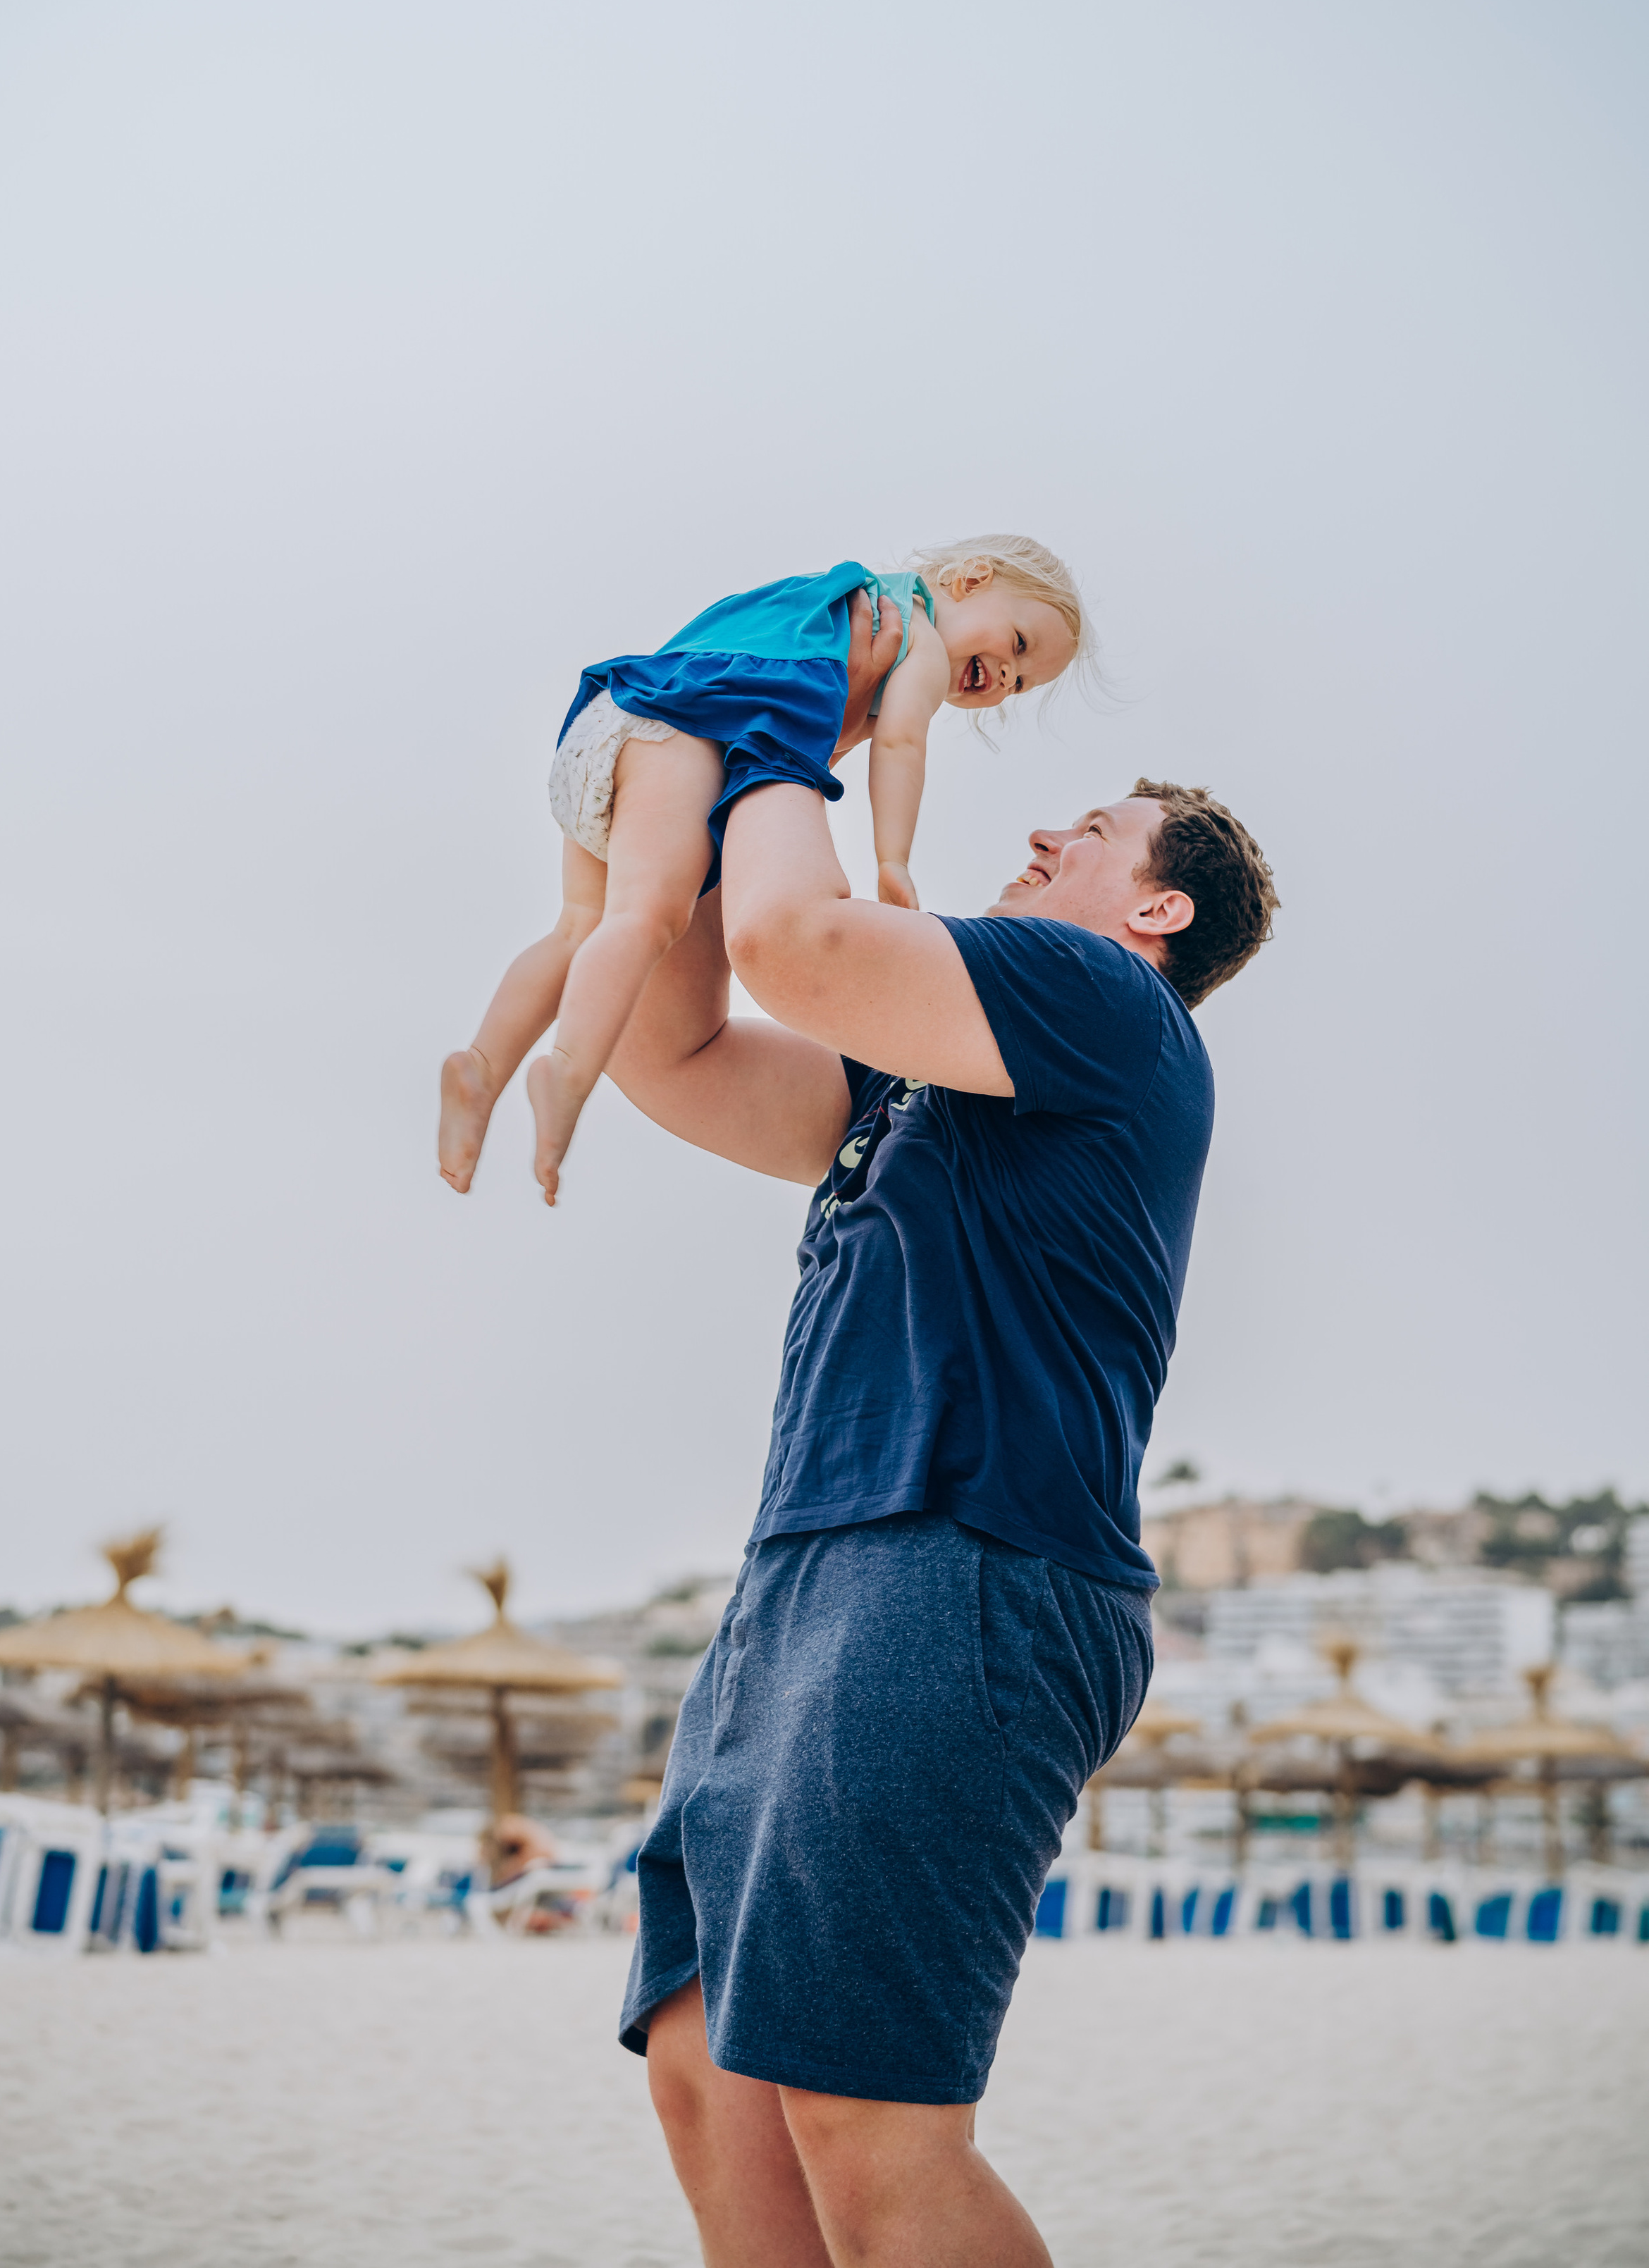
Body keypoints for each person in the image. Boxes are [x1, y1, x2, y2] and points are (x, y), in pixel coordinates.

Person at [600, 597, 1278, 2268]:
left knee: (868, 2119)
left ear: (1154, 907)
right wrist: (699, 772)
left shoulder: (1105, 1000)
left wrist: (787, 715)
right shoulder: (915, 1083)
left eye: (1094, 831)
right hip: (804, 1576)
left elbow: (794, 942)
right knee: (704, 2073)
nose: (1045, 832)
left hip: (972, 1561)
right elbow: (670, 1049)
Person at [438, 536, 1086, 1203]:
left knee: (579, 926)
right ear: (971, 579)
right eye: (1018, 644)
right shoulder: (912, 635)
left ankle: (481, 1066)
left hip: (616, 715)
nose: (1005, 676)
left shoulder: (839, 604)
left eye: (1021, 683)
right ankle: (568, 1071)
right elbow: (900, 744)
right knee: (648, 917)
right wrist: (892, 858)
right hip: (680, 731)